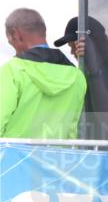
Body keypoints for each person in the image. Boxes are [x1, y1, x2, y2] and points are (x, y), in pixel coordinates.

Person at [1, 8, 86, 139]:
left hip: (13, 159)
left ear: (15, 34)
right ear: (44, 31)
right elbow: (72, 132)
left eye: (9, 40)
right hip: (58, 159)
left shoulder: (11, 71)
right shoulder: (77, 76)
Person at [54, 16, 108, 140]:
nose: (73, 52)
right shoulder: (86, 70)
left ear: (92, 43)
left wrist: (93, 69)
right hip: (91, 152)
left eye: (75, 46)